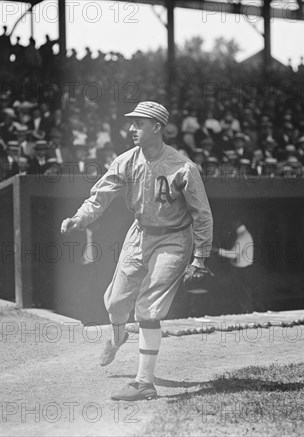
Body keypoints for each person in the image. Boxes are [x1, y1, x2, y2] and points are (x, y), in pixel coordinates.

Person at [60, 102, 213, 401]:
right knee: (116, 303)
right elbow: (98, 197)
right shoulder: (126, 161)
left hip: (173, 239)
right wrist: (79, 218)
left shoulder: (183, 167)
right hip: (140, 233)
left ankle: (144, 382)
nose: (131, 128)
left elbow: (202, 214)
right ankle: (118, 336)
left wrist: (200, 256)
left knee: (147, 307)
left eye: (138, 123)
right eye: (131, 123)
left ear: (156, 127)